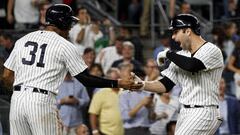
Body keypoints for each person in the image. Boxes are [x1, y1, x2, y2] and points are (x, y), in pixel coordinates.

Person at [2, 4, 141, 135]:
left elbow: (7, 75)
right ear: (62, 22)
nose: (70, 28)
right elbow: (86, 79)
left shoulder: (23, 39)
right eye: (69, 23)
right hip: (41, 101)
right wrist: (118, 83)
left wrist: (22, 94)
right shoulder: (65, 45)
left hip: (17, 101)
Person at [133, 14, 224, 134]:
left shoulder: (211, 50)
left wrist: (168, 54)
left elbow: (192, 65)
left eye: (176, 32)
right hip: (185, 112)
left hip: (204, 111)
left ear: (187, 31)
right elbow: (165, 85)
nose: (173, 37)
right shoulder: (181, 55)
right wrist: (142, 84)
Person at [89, 68, 124, 135]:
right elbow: (93, 113)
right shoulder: (100, 93)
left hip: (124, 131)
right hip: (105, 132)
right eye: (115, 79)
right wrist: (95, 131)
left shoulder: (125, 92)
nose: (118, 81)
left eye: (119, 78)